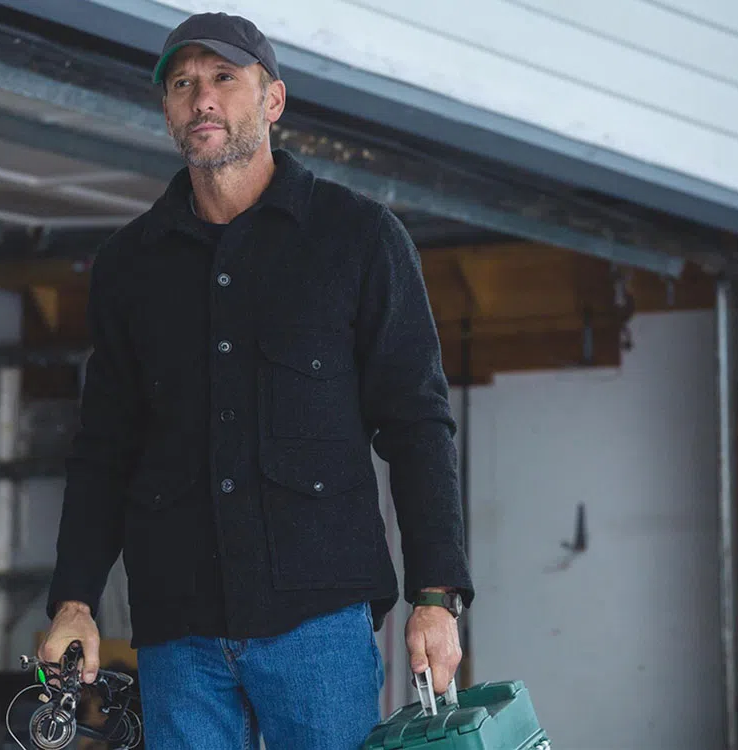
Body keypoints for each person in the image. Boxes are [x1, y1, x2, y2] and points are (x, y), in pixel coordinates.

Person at [38, 11, 473, 750]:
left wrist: (436, 593)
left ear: (273, 100)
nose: (201, 98)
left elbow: (417, 423)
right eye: (182, 84)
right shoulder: (129, 268)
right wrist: (74, 599)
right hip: (178, 629)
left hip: (318, 622)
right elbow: (104, 448)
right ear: (167, 110)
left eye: (222, 78)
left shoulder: (358, 238)